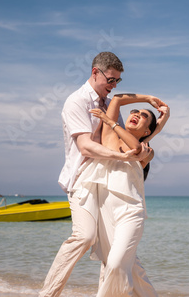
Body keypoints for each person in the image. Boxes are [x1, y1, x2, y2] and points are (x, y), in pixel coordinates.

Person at [39, 52, 167, 297]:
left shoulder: (108, 104)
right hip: (83, 179)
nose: (114, 85)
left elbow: (136, 136)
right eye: (110, 79)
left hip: (109, 186)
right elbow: (86, 147)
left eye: (118, 81)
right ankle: (47, 295)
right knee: (84, 235)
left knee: (119, 257)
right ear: (95, 72)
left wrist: (149, 102)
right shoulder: (77, 101)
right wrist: (122, 156)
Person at [72, 95, 170, 296]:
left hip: (130, 213)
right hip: (106, 215)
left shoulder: (147, 151)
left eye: (144, 116)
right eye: (135, 112)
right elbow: (116, 99)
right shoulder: (109, 137)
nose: (136, 114)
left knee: (116, 265)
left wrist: (109, 121)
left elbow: (135, 147)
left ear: (147, 132)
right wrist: (146, 99)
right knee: (132, 270)